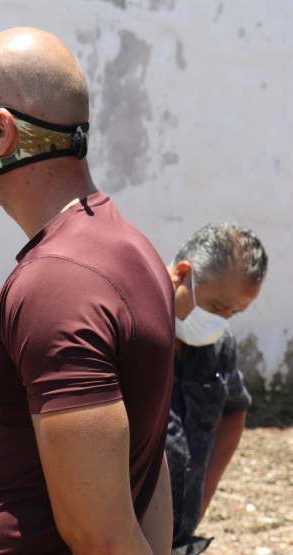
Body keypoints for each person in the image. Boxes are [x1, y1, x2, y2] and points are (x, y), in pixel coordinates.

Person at [0, 28, 175, 554]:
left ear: (0, 132)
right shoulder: (132, 250)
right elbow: (148, 463)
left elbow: (103, 537)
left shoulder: (58, 281)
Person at [165, 224, 267, 555]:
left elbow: (234, 409)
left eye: (234, 313)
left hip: (177, 541)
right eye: (217, 306)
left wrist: (201, 496)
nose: (222, 320)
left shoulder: (218, 345)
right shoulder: (131, 332)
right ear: (183, 274)